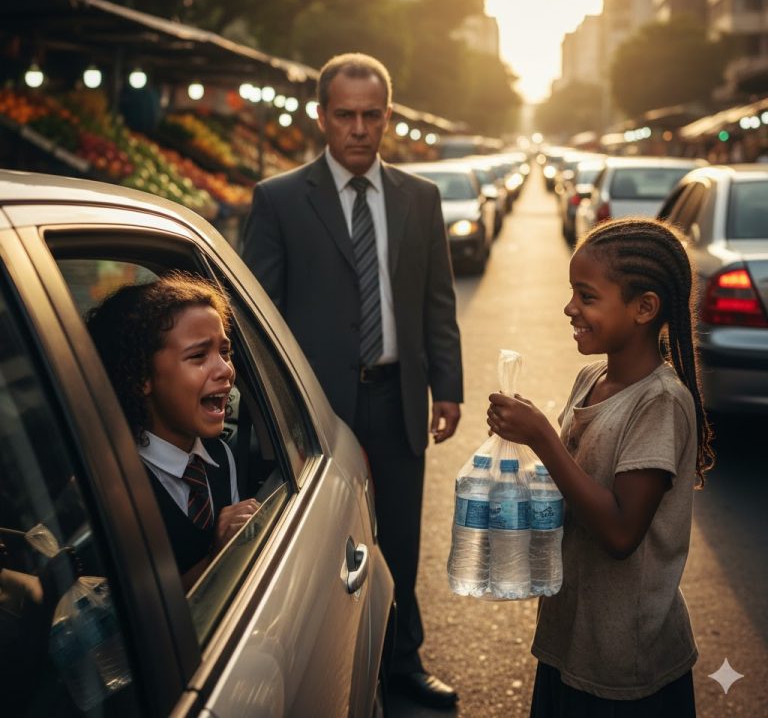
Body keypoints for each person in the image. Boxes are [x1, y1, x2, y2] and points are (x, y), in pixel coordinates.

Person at [241, 53, 462, 708]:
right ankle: (329, 675)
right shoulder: (280, 199)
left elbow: (438, 302)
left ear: (387, 116)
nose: (359, 129)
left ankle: (402, 662)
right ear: (321, 117)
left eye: (371, 116)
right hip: (315, 410)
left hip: (398, 398)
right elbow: (258, 314)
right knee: (322, 549)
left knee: (400, 537)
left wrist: (447, 386)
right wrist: (271, 414)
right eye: (345, 115)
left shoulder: (420, 198)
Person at [486, 218, 715, 717]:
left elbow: (619, 532)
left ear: (644, 308)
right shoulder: (591, 378)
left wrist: (542, 437)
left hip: (626, 666)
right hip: (570, 636)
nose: (570, 307)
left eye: (586, 296)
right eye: (572, 292)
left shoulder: (659, 402)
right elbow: (575, 484)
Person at [86, 271, 259, 591]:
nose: (225, 370)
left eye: (225, 352)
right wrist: (218, 554)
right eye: (198, 356)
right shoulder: (115, 489)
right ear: (141, 377)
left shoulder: (221, 457)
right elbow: (138, 614)